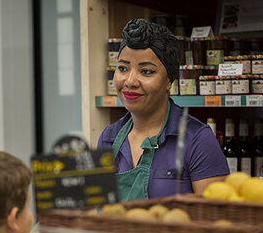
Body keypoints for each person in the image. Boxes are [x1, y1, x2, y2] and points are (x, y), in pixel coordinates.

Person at [97, 19, 229, 201]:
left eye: (146, 71)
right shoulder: (108, 138)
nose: (130, 81)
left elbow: (216, 221)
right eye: (123, 68)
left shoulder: (198, 139)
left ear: (169, 81)